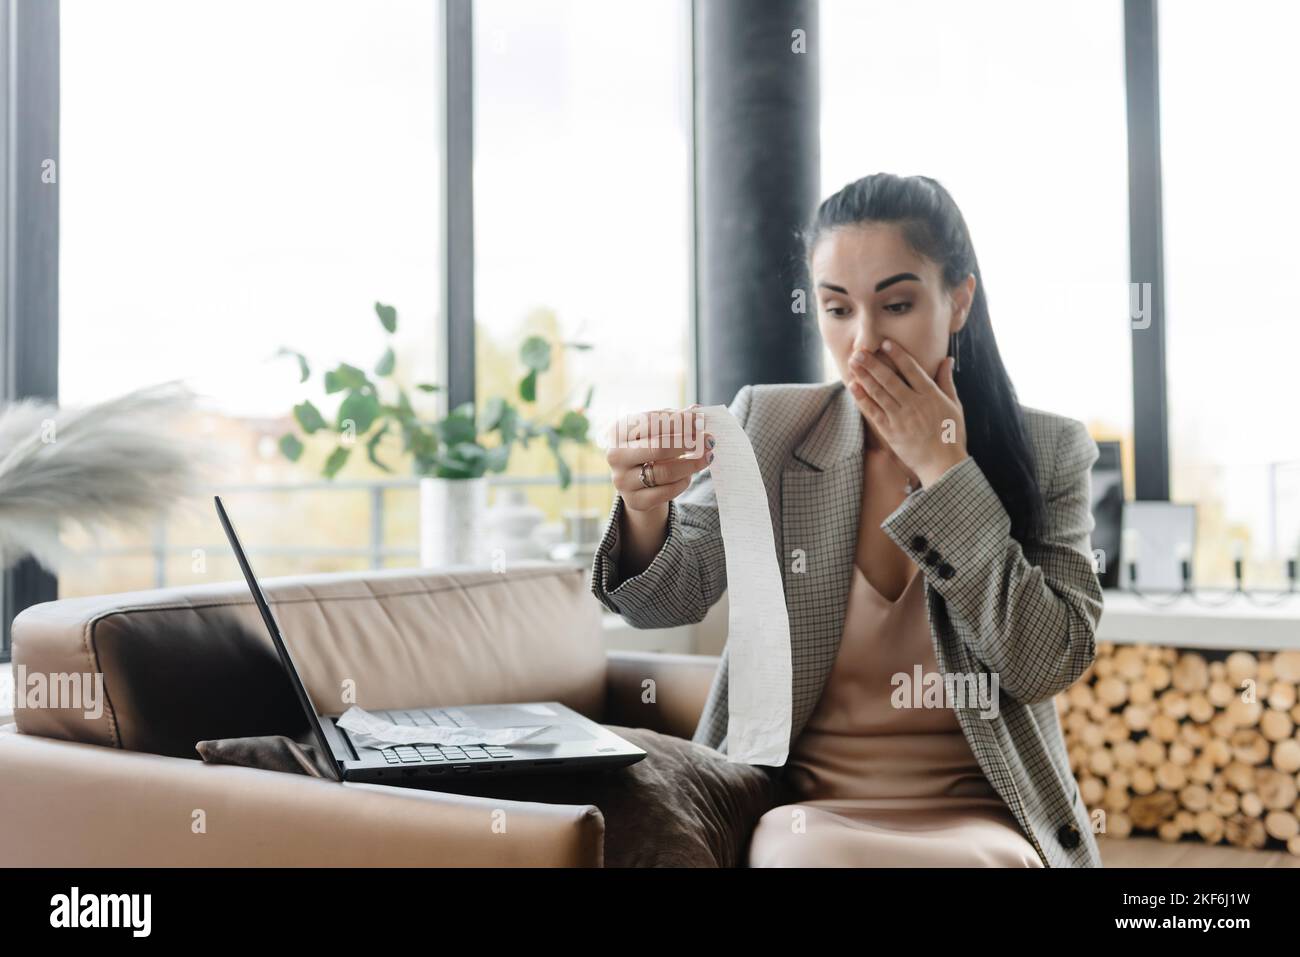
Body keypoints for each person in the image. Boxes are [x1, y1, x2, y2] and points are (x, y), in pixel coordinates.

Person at [590, 172, 1104, 867]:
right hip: (802, 809)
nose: (864, 342)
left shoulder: (1049, 450)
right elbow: (664, 600)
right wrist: (645, 508)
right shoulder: (773, 426)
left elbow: (1047, 661)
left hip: (980, 812)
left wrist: (946, 473)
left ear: (958, 301)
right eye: (837, 309)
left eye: (895, 303)